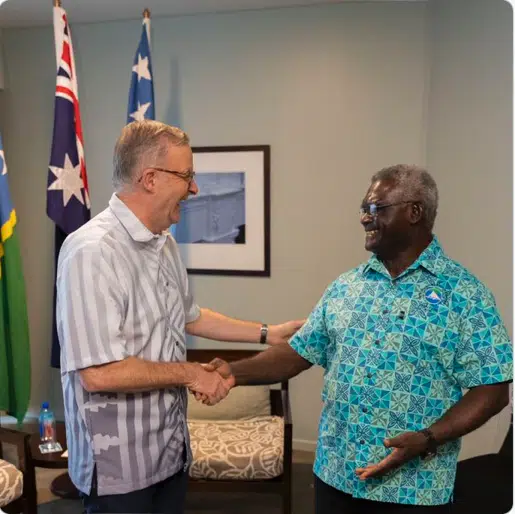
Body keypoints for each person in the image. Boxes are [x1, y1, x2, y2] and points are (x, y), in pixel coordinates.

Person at [203, 164, 513, 513]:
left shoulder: (465, 295)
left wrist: (428, 438)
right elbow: (297, 353)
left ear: (415, 212)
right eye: (364, 209)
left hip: (413, 488)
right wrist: (234, 373)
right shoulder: (346, 287)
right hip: (335, 476)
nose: (364, 218)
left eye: (376, 208)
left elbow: (493, 389)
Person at [55, 120, 304, 514]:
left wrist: (268, 333)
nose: (195, 188)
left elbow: (189, 316)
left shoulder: (163, 243)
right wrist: (191, 373)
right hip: (121, 472)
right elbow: (100, 372)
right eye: (186, 176)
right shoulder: (91, 252)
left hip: (169, 455)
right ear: (150, 179)